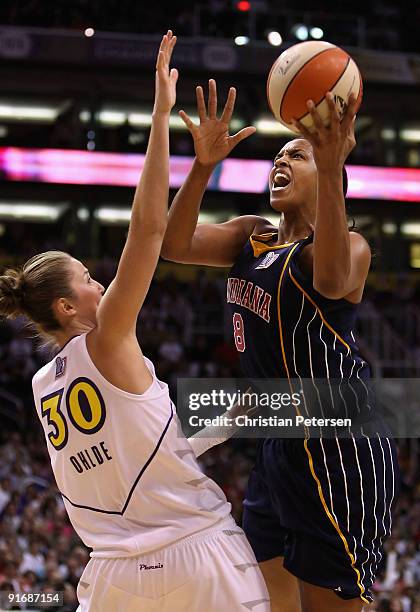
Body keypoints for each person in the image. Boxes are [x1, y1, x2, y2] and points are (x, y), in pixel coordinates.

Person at [0, 36, 269, 612]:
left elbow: (139, 463)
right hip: (197, 558)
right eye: (88, 281)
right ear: (67, 309)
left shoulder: (44, 385)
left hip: (114, 578)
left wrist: (224, 422)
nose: (101, 285)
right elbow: (148, 232)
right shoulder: (107, 337)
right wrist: (160, 115)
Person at [161, 79, 400, 612]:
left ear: (332, 173)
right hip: (279, 443)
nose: (281, 163)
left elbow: (335, 281)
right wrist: (202, 166)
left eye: (298, 155)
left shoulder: (349, 247)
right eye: (278, 156)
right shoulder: (253, 235)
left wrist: (333, 166)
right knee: (267, 602)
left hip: (341, 445)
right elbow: (175, 244)